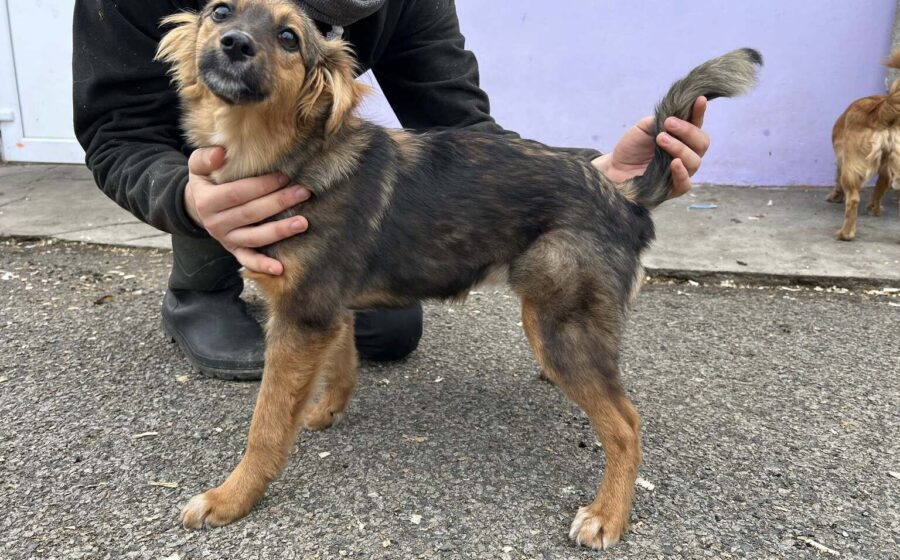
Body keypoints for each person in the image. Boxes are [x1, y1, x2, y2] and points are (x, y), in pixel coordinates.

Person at [73, 0, 710, 380]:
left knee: (388, 329)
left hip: (306, 170)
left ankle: (306, 299)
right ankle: (201, 288)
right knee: (224, 168)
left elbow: (462, 125)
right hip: (197, 161)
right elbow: (117, 129)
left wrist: (587, 176)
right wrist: (187, 201)